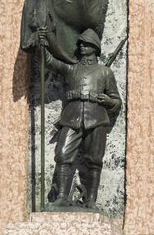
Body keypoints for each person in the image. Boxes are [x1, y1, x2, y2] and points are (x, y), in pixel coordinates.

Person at [39, 28, 121, 209]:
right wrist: (42, 44)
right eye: (81, 44)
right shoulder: (72, 69)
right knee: (62, 155)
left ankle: (91, 199)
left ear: (95, 48)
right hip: (72, 116)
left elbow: (117, 102)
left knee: (95, 160)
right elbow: (50, 61)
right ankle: (61, 197)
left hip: (96, 118)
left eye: (86, 44)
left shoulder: (105, 72)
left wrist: (107, 100)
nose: (82, 47)